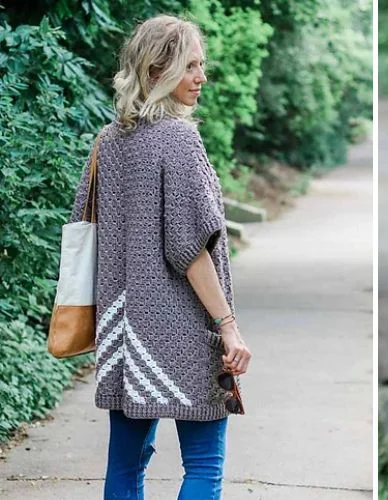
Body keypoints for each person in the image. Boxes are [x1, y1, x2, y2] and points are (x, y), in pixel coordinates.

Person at [66, 15, 252, 499]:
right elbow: (190, 249)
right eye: (190, 66)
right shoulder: (179, 140)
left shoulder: (107, 142)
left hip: (124, 332)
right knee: (205, 465)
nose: (201, 77)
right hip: (183, 328)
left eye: (201, 65)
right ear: (155, 72)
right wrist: (228, 325)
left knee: (125, 467)